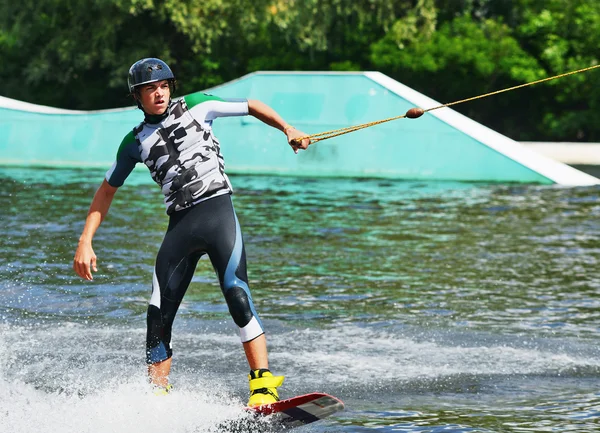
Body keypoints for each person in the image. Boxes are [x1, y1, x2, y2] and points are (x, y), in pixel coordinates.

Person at [73, 58, 310, 406]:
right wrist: (85, 240)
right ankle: (157, 398)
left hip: (217, 215)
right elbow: (106, 190)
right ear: (137, 97)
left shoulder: (199, 106)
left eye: (163, 86)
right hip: (180, 226)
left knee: (236, 293)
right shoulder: (134, 142)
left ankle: (262, 389)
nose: (158, 93)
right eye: (150, 89)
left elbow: (253, 105)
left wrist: (288, 129)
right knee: (157, 313)